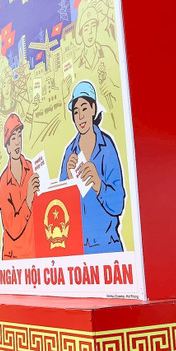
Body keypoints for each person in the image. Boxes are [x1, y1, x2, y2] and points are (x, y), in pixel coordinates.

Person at [59, 80, 126, 253]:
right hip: (78, 248)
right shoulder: (70, 151)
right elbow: (61, 207)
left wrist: (98, 184)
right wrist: (68, 180)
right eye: (76, 112)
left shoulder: (107, 147)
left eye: (84, 108)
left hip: (108, 246)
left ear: (93, 109)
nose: (80, 116)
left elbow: (118, 204)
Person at [0, 113, 40, 259]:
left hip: (34, 254)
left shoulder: (32, 168)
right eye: (13, 138)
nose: (17, 142)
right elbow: (12, 229)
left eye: (19, 136)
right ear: (7, 146)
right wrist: (28, 199)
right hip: (14, 258)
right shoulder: (4, 182)